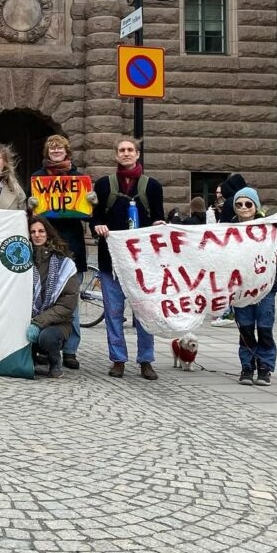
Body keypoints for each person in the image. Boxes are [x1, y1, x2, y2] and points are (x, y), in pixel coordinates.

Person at [90, 138, 165, 381]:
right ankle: (118, 360)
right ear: (116, 155)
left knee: (144, 312)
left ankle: (146, 360)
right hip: (110, 261)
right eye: (121, 150)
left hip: (142, 264)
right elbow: (94, 218)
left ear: (137, 154)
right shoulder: (103, 185)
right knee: (113, 313)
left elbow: (158, 217)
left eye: (130, 150)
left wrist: (159, 224)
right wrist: (97, 226)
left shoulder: (152, 186)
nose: (125, 154)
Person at [31, 134, 88, 370]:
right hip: (44, 246)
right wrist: (30, 205)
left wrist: (90, 203)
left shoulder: (78, 178)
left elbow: (87, 214)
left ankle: (71, 350)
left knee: (69, 299)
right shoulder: (38, 177)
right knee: (41, 296)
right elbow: (32, 214)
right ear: (47, 151)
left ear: (67, 151)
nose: (56, 152)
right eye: (51, 148)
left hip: (72, 244)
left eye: (59, 148)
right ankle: (44, 346)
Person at [232, 187, 277, 385]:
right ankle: (247, 366)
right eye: (239, 204)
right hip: (241, 286)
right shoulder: (228, 228)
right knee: (246, 328)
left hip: (266, 285)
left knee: (265, 327)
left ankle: (265, 366)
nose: (243, 208)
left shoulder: (271, 226)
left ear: (255, 205)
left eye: (248, 204)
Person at [25, 217, 80, 379]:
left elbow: (67, 304)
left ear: (48, 234)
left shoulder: (64, 263)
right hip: (28, 318)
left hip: (58, 322)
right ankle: (30, 358)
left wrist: (38, 322)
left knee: (47, 337)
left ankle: (55, 361)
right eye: (33, 232)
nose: (37, 235)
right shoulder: (22, 259)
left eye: (41, 231)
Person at [210, 174, 249, 327]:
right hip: (246, 248)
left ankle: (228, 312)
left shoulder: (231, 203)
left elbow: (224, 226)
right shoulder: (249, 199)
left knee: (228, 280)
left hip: (231, 247)